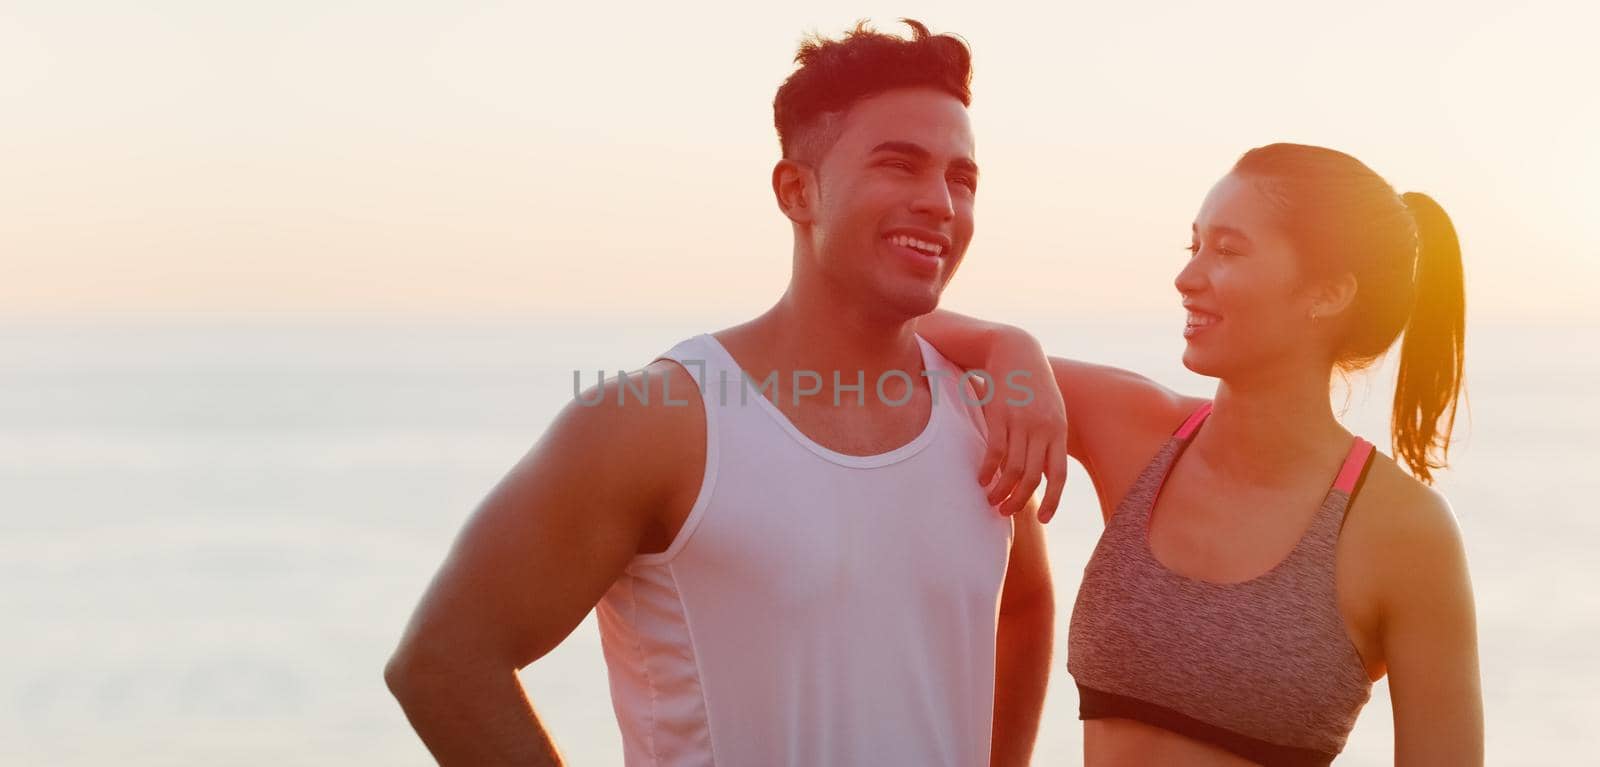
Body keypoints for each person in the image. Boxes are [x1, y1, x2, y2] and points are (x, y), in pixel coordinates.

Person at [383, 20, 1057, 766]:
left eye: (961, 179)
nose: (940, 202)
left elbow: (1022, 606)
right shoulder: (657, 422)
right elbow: (443, 662)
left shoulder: (984, 408)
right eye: (900, 165)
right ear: (797, 191)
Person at [919, 143, 1484, 765]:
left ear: (1327, 293)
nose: (1187, 279)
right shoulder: (1135, 431)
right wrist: (1007, 345)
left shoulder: (1404, 532)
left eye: (1228, 250)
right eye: (1195, 247)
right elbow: (885, 341)